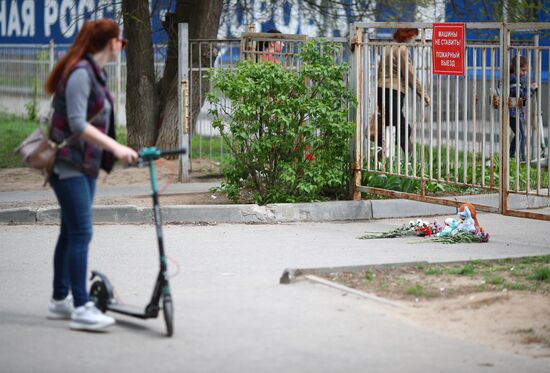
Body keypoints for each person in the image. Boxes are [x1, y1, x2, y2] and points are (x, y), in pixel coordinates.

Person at [44, 19, 138, 331]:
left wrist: (107, 156)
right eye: (120, 41)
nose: (121, 46)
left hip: (83, 165)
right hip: (67, 164)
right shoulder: (81, 74)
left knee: (70, 232)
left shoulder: (96, 73)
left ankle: (60, 300)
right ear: (111, 43)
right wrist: (117, 148)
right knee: (81, 233)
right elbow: (77, 124)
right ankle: (82, 306)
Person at [376, 28, 430, 157]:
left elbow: (380, 70)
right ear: (408, 36)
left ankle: (379, 159)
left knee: (387, 124)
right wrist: (423, 93)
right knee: (402, 127)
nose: (414, 41)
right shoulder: (402, 49)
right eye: (414, 37)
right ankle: (411, 160)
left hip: (381, 89)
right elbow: (409, 74)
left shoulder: (387, 47)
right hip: (394, 90)